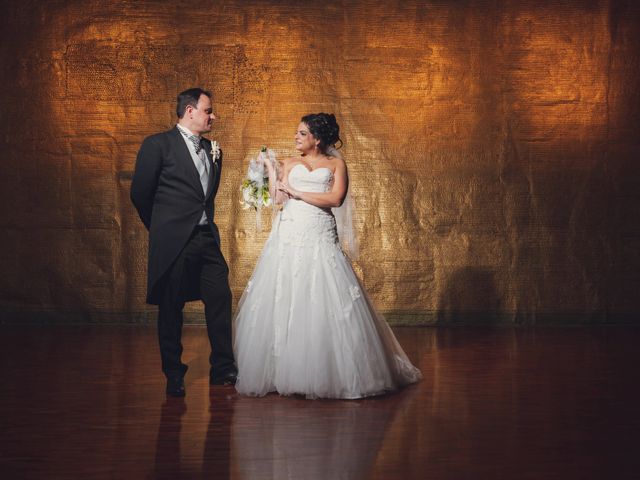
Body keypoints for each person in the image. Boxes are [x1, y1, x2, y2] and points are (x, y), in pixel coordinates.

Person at [233, 113, 421, 399]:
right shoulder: (289, 163)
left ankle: (328, 371)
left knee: (323, 293)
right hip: (290, 232)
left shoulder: (336, 164)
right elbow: (278, 199)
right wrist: (271, 170)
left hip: (319, 231)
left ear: (317, 139)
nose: (295, 137)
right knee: (287, 292)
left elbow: (335, 199)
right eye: (296, 133)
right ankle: (282, 370)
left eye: (301, 133)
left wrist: (296, 191)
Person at [131, 87, 237, 397]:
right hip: (173, 241)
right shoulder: (157, 145)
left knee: (220, 298)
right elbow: (140, 193)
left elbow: (205, 196)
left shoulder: (212, 149)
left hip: (206, 239)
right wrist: (162, 228)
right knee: (171, 305)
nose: (213, 116)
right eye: (208, 110)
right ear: (190, 111)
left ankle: (223, 368)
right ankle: (174, 373)